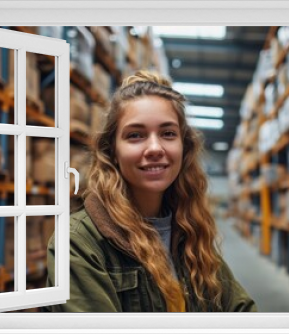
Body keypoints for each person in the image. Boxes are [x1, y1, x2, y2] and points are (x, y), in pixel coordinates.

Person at [46, 70, 256, 312]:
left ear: (183, 147)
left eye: (168, 133)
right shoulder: (79, 243)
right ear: (112, 150)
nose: (155, 148)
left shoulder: (188, 231)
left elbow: (242, 312)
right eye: (135, 135)